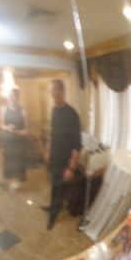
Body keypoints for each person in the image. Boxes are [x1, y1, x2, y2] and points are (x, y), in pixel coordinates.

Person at [44, 78, 84, 229]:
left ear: (61, 91)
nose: (52, 94)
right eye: (51, 91)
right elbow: (52, 133)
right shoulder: (54, 110)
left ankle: (53, 216)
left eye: (54, 91)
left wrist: (71, 168)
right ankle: (53, 206)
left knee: (59, 188)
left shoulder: (72, 114)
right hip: (54, 157)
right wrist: (48, 150)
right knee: (54, 185)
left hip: (65, 161)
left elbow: (77, 145)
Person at [0, 88, 29, 189]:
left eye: (15, 96)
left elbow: (26, 130)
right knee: (8, 160)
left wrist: (16, 132)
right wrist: (8, 128)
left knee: (18, 162)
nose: (13, 98)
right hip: (8, 141)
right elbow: (1, 125)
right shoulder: (3, 109)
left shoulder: (23, 110)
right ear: (9, 97)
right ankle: (7, 181)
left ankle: (18, 183)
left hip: (19, 141)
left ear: (18, 97)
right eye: (11, 96)